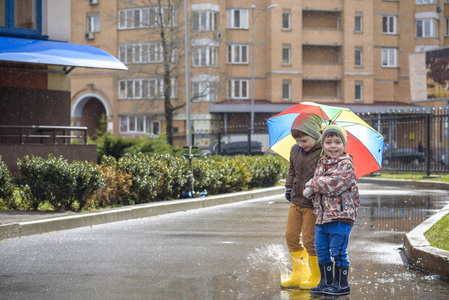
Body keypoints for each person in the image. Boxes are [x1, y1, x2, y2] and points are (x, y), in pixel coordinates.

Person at [303, 124, 360, 296]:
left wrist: (313, 184)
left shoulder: (346, 165)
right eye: (328, 142)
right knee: (320, 249)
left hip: (341, 217)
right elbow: (320, 185)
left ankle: (342, 285)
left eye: (337, 142)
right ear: (323, 145)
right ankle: (326, 282)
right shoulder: (322, 162)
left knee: (338, 251)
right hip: (322, 217)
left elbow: (334, 185)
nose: (333, 146)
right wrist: (313, 189)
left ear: (344, 145)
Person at [281, 112, 323, 289]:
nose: (300, 144)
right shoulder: (295, 150)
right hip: (296, 201)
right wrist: (289, 187)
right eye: (298, 141)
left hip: (313, 205)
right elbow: (292, 170)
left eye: (304, 140)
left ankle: (316, 275)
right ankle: (300, 273)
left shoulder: (324, 151)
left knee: (309, 240)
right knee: (291, 236)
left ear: (315, 135)